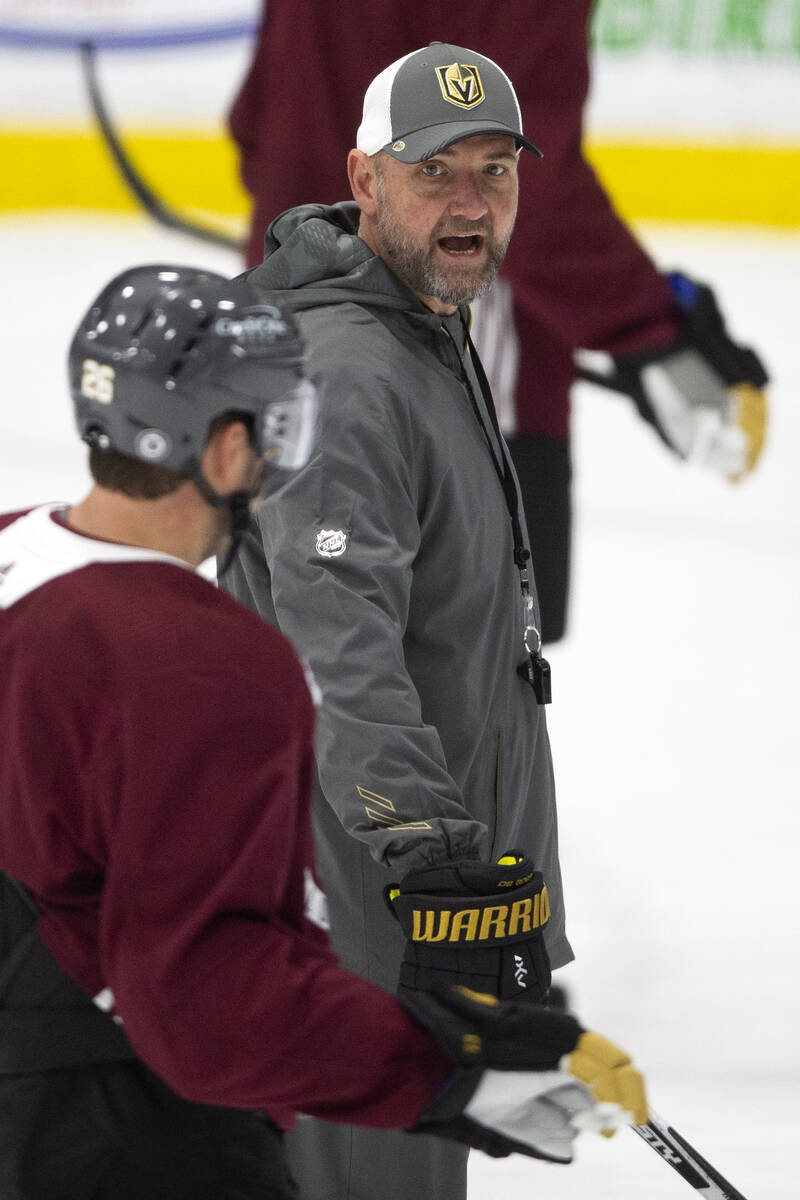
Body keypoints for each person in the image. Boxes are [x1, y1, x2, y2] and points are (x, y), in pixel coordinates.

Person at [0, 265, 648, 1200]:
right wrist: (454, 1062)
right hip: (109, 1128)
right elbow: (207, 999)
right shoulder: (212, 667)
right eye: (281, 427)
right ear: (225, 448)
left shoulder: (18, 553)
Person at [222, 40, 582, 1200]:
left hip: (426, 895)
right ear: (363, 180)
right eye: (435, 172)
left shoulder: (422, 326)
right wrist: (425, 852)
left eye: (496, 169)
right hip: (374, 906)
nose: (471, 203)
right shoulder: (351, 372)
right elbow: (332, 646)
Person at [229, 0, 769, 642]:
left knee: (290, 648)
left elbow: (258, 124)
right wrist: (653, 329)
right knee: (463, 681)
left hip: (283, 337)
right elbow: (524, 192)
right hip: (457, 371)